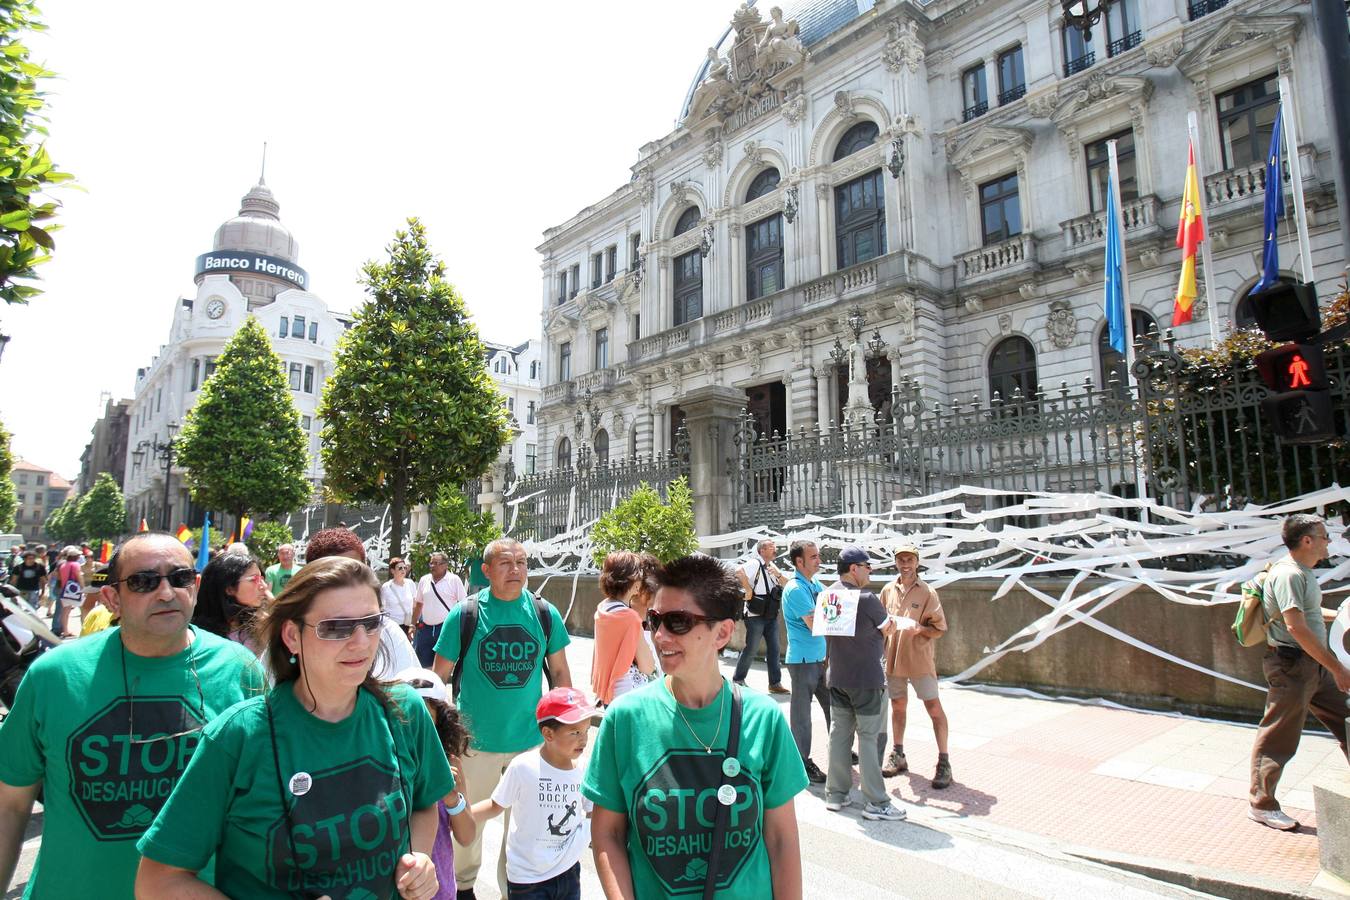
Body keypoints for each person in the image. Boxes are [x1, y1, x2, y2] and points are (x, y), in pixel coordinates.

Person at [136, 556, 452, 899]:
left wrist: (418, 859)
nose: (361, 642)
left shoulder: (405, 711)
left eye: (371, 622)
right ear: (292, 636)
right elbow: (159, 881)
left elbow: (424, 803)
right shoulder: (239, 735)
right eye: (336, 627)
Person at [0, 532, 262, 898]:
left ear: (197, 586)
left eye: (180, 578)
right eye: (143, 582)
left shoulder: (241, 669)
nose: (167, 593)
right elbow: (10, 805)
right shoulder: (54, 675)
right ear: (112, 598)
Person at [584, 554, 806, 899]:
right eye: (655, 620)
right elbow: (607, 834)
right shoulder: (625, 719)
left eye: (679, 622)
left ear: (723, 633)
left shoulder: (764, 718)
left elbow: (781, 840)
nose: (659, 635)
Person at [431, 537, 572, 900]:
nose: (516, 570)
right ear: (487, 570)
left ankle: (516, 889)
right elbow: (438, 679)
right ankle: (463, 886)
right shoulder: (465, 614)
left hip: (530, 744)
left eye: (522, 563)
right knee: (467, 822)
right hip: (475, 744)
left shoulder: (544, 613)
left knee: (525, 827)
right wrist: (437, 736)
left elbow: (559, 673)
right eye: (506, 563)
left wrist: (567, 729)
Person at [1248, 514, 1349, 830]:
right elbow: (1295, 626)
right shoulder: (1289, 574)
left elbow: (1307, 613)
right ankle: (1262, 804)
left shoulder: (1301, 573)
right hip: (1293, 665)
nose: (1327, 542)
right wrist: (1337, 668)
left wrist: (1340, 615)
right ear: (1307, 540)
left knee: (1347, 717)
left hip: (1313, 664)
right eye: (1323, 536)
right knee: (1279, 733)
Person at [472, 688, 596, 900]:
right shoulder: (523, 767)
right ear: (548, 733)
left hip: (568, 871)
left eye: (586, 731)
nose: (583, 739)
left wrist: (584, 838)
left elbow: (594, 812)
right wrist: (455, 817)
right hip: (527, 878)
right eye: (575, 732)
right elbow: (495, 805)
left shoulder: (584, 769)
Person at [824, 546, 906, 821]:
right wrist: (890, 625)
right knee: (870, 738)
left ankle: (836, 794)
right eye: (866, 565)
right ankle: (876, 802)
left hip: (838, 675)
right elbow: (887, 628)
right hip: (867, 679)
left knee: (839, 736)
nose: (870, 569)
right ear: (853, 569)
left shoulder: (828, 595)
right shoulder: (868, 599)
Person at [398, 667, 477, 900]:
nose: (418, 733)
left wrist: (453, 799)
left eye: (426, 722)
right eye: (409, 722)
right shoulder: (386, 765)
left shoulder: (450, 763)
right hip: (398, 885)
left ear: (441, 723)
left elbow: (466, 835)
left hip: (439, 888)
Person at [879, 545, 952, 788]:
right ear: (896, 562)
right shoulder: (888, 590)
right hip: (894, 659)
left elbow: (939, 629)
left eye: (909, 559)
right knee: (897, 706)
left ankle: (944, 761)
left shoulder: (928, 592)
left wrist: (920, 628)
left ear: (917, 562)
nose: (905, 564)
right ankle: (898, 753)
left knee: (933, 706)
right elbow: (879, 623)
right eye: (901, 559)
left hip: (919, 659)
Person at [304, 527, 418, 679]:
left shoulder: (389, 632)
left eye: (355, 572)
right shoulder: (298, 633)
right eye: (334, 575)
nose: (360, 643)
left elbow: (417, 690)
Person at [781, 539, 830, 784]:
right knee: (802, 715)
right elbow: (816, 623)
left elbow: (832, 610)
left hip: (820, 658)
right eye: (813, 557)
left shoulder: (815, 584)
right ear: (799, 561)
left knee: (835, 705)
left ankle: (840, 749)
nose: (818, 560)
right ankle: (801, 761)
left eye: (818, 556)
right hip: (802, 661)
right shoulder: (796, 589)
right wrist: (833, 615)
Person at [592, 551, 656, 706]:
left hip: (609, 693)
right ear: (634, 582)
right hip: (630, 694)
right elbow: (647, 667)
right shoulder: (630, 618)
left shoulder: (602, 610)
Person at [732, 538, 789, 694]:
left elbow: (786, 583)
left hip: (770, 614)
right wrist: (748, 590)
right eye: (771, 547)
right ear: (762, 550)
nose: (775, 549)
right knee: (751, 648)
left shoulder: (771, 566)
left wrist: (778, 575)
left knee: (774, 649)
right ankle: (738, 680)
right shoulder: (754, 563)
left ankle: (775, 683)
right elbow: (738, 572)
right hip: (755, 614)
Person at [193, 550, 271, 653]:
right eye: (254, 579)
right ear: (229, 588)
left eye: (262, 579)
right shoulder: (197, 635)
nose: (264, 586)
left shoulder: (261, 624)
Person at [416, 552, 466, 667]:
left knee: (442, 664)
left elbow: (463, 603)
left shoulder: (454, 580)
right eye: (431, 563)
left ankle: (439, 684)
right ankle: (428, 684)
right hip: (426, 628)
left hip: (445, 627)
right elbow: (418, 603)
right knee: (424, 664)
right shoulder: (424, 580)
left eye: (436, 563)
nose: (432, 566)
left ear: (445, 565)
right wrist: (413, 624)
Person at [384, 557, 419, 638]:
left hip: (408, 625)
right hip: (393, 627)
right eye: (400, 568)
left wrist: (412, 624)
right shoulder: (386, 587)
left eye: (405, 567)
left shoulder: (410, 584)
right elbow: (382, 608)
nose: (403, 570)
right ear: (392, 571)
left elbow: (415, 606)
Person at [53, 546, 85, 637]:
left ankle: (65, 630)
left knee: (65, 611)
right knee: (84, 609)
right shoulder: (75, 565)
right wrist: (83, 589)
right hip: (74, 591)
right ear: (76, 556)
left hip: (65, 590)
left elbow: (58, 577)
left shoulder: (63, 565)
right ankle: (85, 629)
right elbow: (79, 576)